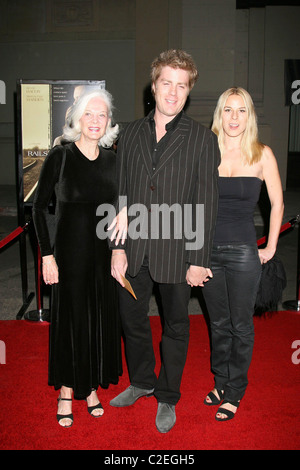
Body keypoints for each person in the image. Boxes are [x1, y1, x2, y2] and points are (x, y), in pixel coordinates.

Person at [109, 49, 220, 433]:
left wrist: (198, 258)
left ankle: (167, 396)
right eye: (166, 84)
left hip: (177, 252)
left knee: (176, 325)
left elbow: (206, 203)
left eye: (181, 86)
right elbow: (121, 192)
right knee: (132, 319)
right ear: (153, 86)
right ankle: (141, 380)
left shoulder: (202, 139)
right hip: (134, 246)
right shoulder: (132, 132)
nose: (172, 93)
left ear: (188, 92)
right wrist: (117, 248)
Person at [33, 89, 122, 427]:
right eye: (89, 114)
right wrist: (48, 256)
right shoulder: (61, 156)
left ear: (109, 122)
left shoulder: (115, 161)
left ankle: (91, 388)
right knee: (72, 321)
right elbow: (39, 208)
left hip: (102, 256)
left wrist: (118, 250)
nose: (96, 121)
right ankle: (68, 389)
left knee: (97, 318)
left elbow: (120, 212)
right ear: (78, 119)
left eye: (102, 115)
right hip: (68, 255)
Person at [202, 87, 284, 421]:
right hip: (207, 252)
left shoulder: (262, 154)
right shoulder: (206, 151)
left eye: (242, 111)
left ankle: (235, 390)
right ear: (219, 114)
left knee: (240, 325)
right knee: (217, 324)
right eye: (228, 110)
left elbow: (277, 203)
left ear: (249, 116)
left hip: (243, 254)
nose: (234, 118)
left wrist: (271, 246)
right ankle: (222, 382)